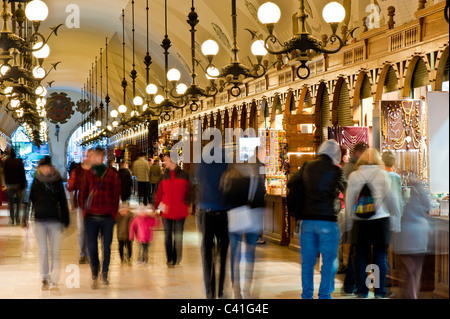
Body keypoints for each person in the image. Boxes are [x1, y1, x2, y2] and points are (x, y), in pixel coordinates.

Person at [287, 139, 345, 299]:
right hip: (328, 221)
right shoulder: (336, 170)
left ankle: (306, 295)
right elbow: (347, 188)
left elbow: (291, 183)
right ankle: (324, 295)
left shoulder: (307, 166)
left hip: (307, 222)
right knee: (329, 261)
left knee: (307, 262)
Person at [345, 149, 401, 298]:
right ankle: (379, 291)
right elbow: (392, 199)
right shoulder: (383, 175)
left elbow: (349, 199)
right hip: (381, 220)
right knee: (380, 256)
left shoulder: (354, 176)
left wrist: (349, 220)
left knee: (361, 256)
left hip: (360, 221)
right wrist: (396, 220)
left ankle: (363, 291)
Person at [221, 156, 265, 299]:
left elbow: (224, 200)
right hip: (251, 216)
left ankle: (236, 284)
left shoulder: (228, 179)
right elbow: (261, 197)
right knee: (251, 252)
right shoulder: (255, 179)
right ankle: (248, 283)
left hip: (234, 217)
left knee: (235, 252)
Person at [78, 147, 121, 288]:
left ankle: (105, 273)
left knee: (107, 247)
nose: (96, 159)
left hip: (107, 216)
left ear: (102, 157)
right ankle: (95, 272)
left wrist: (114, 213)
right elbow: (82, 194)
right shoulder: (88, 175)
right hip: (91, 217)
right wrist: (84, 212)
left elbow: (116, 195)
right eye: (95, 156)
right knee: (92, 247)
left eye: (99, 156)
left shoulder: (112, 175)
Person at [193, 148, 231, 299]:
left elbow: (196, 180)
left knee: (207, 252)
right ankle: (221, 289)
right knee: (223, 253)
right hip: (224, 212)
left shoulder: (202, 161)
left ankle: (210, 289)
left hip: (207, 211)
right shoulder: (226, 160)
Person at [29, 156, 70, 290]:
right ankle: (44, 277)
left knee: (55, 251)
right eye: (42, 167)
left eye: (47, 166)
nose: (45, 169)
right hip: (40, 220)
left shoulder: (57, 180)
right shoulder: (36, 180)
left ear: (50, 167)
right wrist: (28, 217)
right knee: (43, 251)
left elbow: (63, 200)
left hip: (54, 220)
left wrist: (65, 218)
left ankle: (54, 278)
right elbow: (31, 199)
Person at [392, 179, 431, 299]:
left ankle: (408, 293)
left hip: (403, 240)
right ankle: (412, 294)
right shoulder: (423, 198)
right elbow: (429, 208)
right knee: (416, 270)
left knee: (408, 270)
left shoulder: (405, 200)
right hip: (419, 240)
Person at [153, 152, 193, 267]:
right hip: (166, 212)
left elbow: (190, 191)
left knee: (178, 236)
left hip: (180, 210)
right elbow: (158, 193)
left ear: (173, 161)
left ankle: (176, 257)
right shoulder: (163, 177)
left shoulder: (185, 175)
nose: (164, 162)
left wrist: (186, 202)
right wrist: (155, 206)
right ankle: (169, 258)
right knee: (168, 236)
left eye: (166, 160)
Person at [342, 141, 368, 294]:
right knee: (358, 253)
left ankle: (350, 284)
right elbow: (350, 195)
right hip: (356, 215)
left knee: (356, 251)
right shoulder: (353, 170)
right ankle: (356, 285)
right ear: (358, 153)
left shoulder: (351, 169)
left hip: (354, 214)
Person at [67, 148, 94, 264]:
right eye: (87, 155)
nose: (89, 158)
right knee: (82, 230)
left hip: (96, 206)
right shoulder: (77, 171)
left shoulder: (97, 171)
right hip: (81, 205)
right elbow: (70, 187)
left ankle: (92, 253)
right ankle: (83, 253)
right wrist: (72, 202)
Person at [3, 148, 27, 225]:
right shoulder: (19, 162)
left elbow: (5, 173)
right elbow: (22, 174)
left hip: (10, 184)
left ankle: (12, 218)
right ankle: (17, 218)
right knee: (19, 202)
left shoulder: (6, 162)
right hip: (18, 184)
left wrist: (6, 183)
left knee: (11, 203)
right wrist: (23, 184)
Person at [337, 145, 350, 274]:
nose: (348, 157)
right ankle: (339, 265)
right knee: (339, 238)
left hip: (335, 207)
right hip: (340, 206)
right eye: (346, 154)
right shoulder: (339, 170)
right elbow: (343, 191)